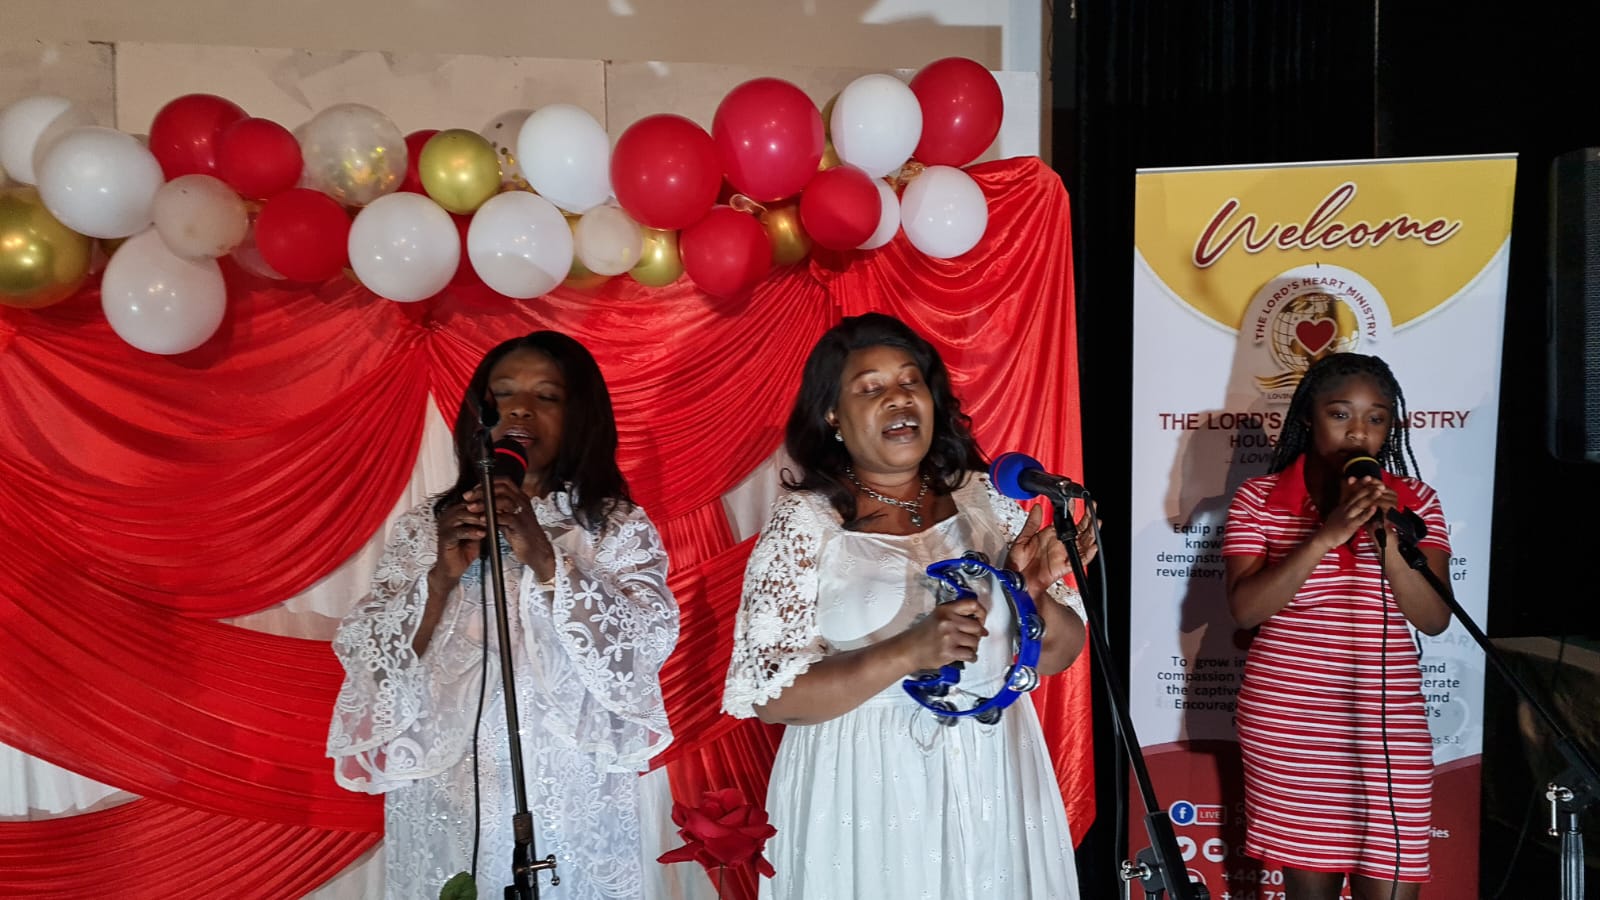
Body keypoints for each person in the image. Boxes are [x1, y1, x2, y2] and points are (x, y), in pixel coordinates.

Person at [722, 312, 1094, 899]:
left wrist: (1032, 593)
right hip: (864, 783)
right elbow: (772, 696)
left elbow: (1059, 655)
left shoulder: (986, 499)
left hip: (994, 766)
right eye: (870, 387)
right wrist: (907, 652)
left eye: (908, 381)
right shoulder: (806, 522)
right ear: (833, 415)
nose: (897, 398)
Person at [327, 331, 679, 900]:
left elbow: (643, 647)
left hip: (566, 789)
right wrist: (439, 579)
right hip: (451, 790)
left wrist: (546, 558)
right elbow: (369, 660)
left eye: (547, 396)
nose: (521, 410)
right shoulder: (428, 526)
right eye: (505, 394)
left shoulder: (611, 526)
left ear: (580, 416)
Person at [1222, 352, 1452, 900]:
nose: (1358, 431)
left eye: (1376, 418)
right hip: (1291, 722)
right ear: (1309, 417)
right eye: (1341, 414)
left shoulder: (1416, 503)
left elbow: (1434, 618)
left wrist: (1386, 536)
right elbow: (1246, 609)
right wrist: (1326, 535)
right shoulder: (1259, 499)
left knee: (1394, 878)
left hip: (1386, 721)